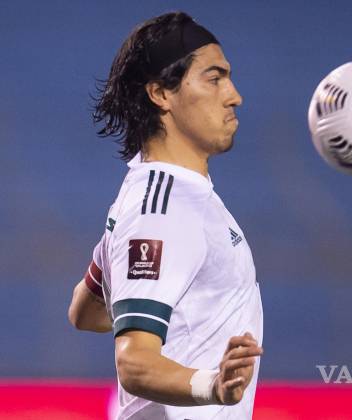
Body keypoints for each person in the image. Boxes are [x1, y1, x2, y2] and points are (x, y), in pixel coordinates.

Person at [67, 11, 264, 420]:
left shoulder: (160, 196)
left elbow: (85, 311)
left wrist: (116, 264)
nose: (234, 96)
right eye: (214, 78)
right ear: (161, 93)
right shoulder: (163, 206)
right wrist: (213, 385)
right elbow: (134, 363)